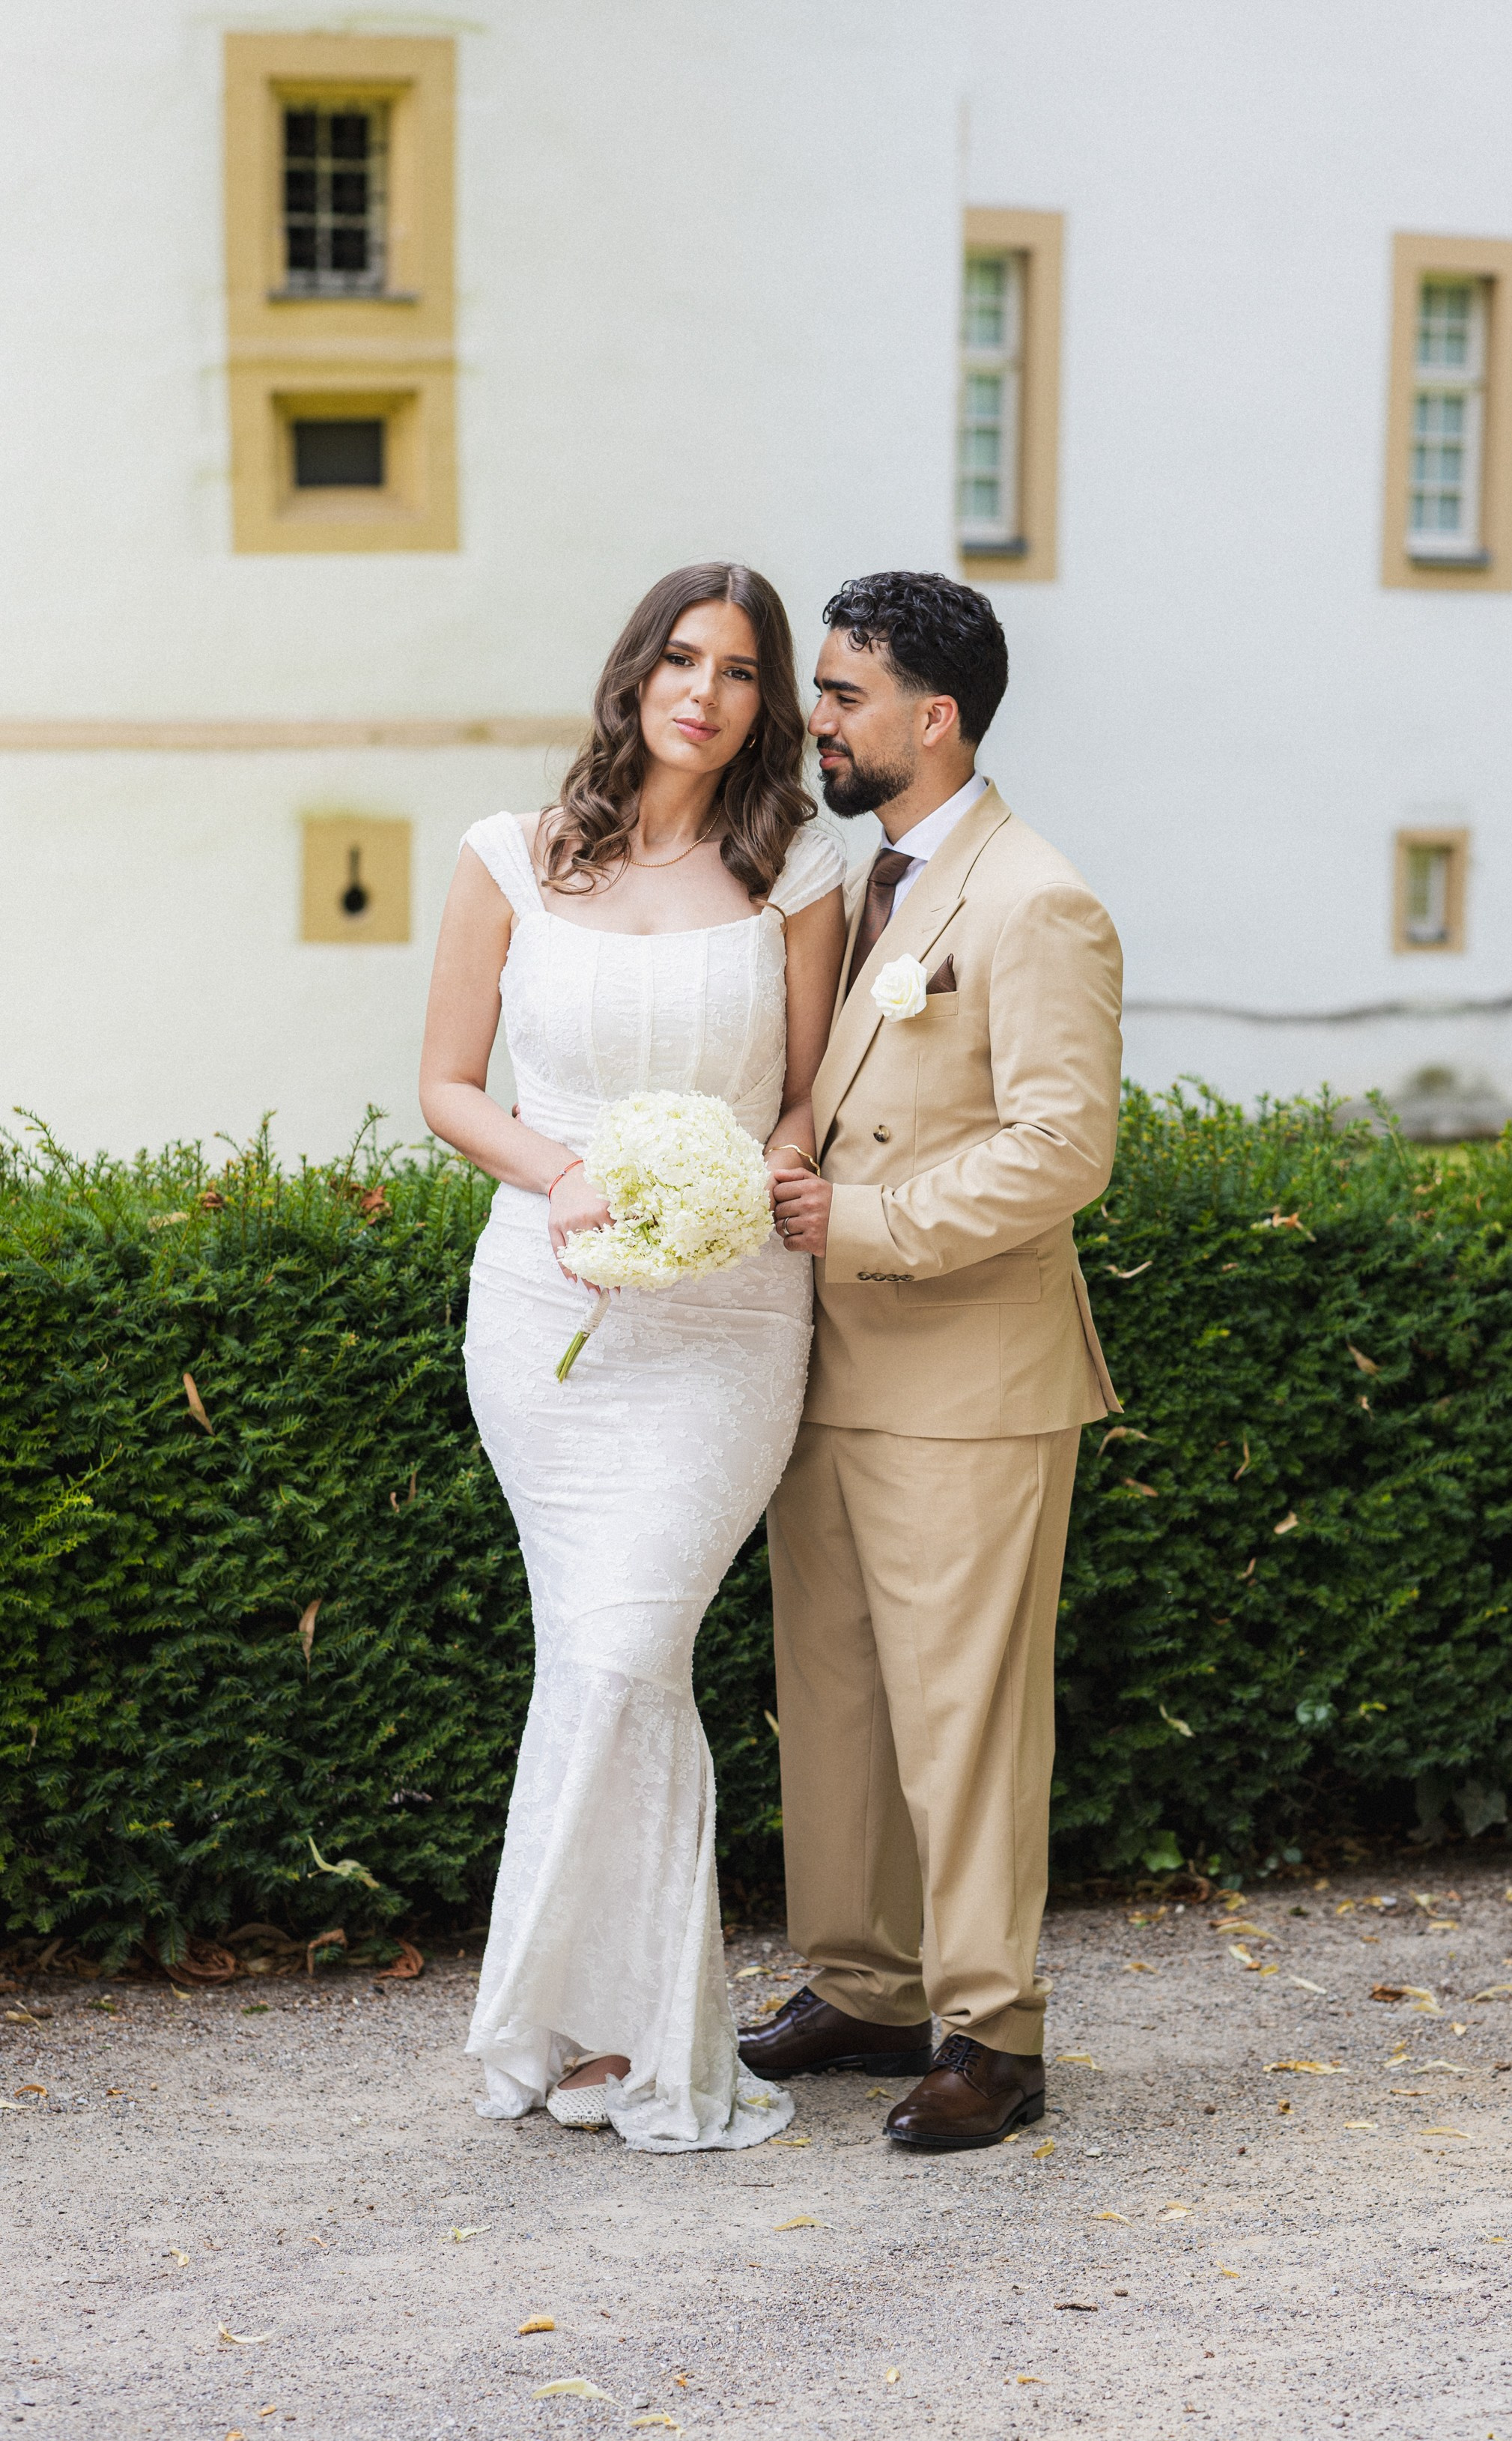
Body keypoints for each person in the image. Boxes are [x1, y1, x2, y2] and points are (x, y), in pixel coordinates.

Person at [419, 561, 846, 2152]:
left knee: (624, 1644)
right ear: (634, 675)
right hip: (552, 1310)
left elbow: (801, 1094)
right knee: (596, 1656)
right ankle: (590, 2031)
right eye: (680, 659)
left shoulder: (796, 865)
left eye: (739, 671)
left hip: (731, 1314)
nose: (703, 692)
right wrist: (564, 1177)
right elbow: (449, 1085)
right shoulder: (509, 859)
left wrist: (780, 1166)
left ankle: (593, 2025)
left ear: (765, 702)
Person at [744, 571, 1123, 2150]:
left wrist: (866, 1217)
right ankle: (864, 1980)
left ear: (932, 716)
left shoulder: (1033, 898)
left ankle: (991, 2032)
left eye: (839, 695)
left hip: (968, 1381)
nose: (813, 719)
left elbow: (1063, 1151)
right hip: (826, 1366)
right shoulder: (862, 880)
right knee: (828, 1703)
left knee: (962, 1716)